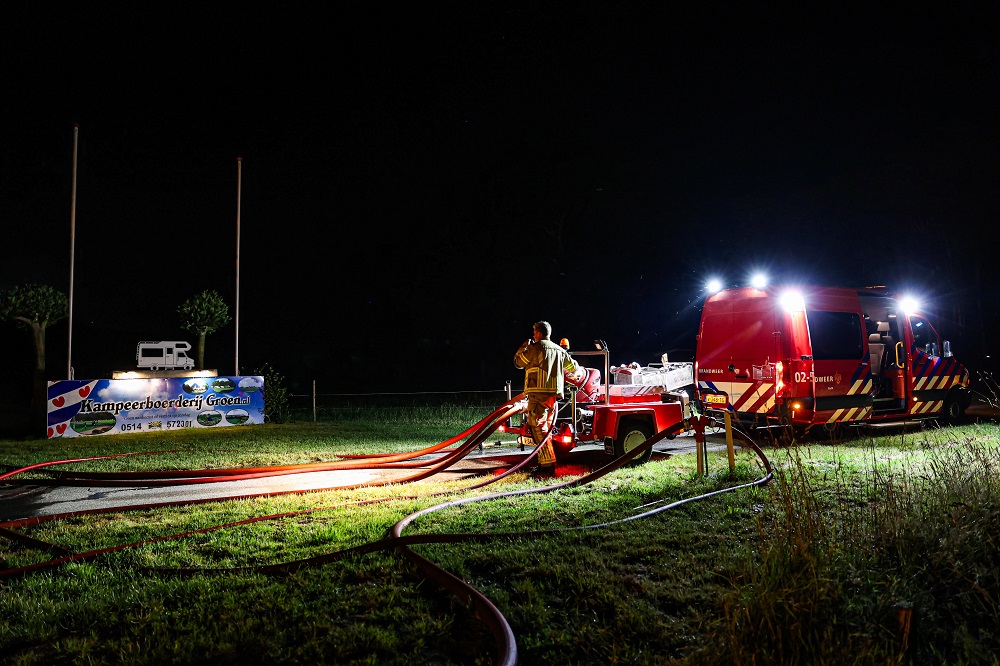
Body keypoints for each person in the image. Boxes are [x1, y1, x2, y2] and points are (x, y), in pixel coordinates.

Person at [513, 321, 581, 474]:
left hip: (537, 394)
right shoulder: (559, 350)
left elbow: (518, 363)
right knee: (544, 429)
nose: (533, 334)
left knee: (538, 428)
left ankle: (547, 465)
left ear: (538, 333)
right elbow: (574, 368)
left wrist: (523, 347)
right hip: (552, 396)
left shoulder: (534, 348)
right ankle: (545, 463)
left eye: (534, 332)